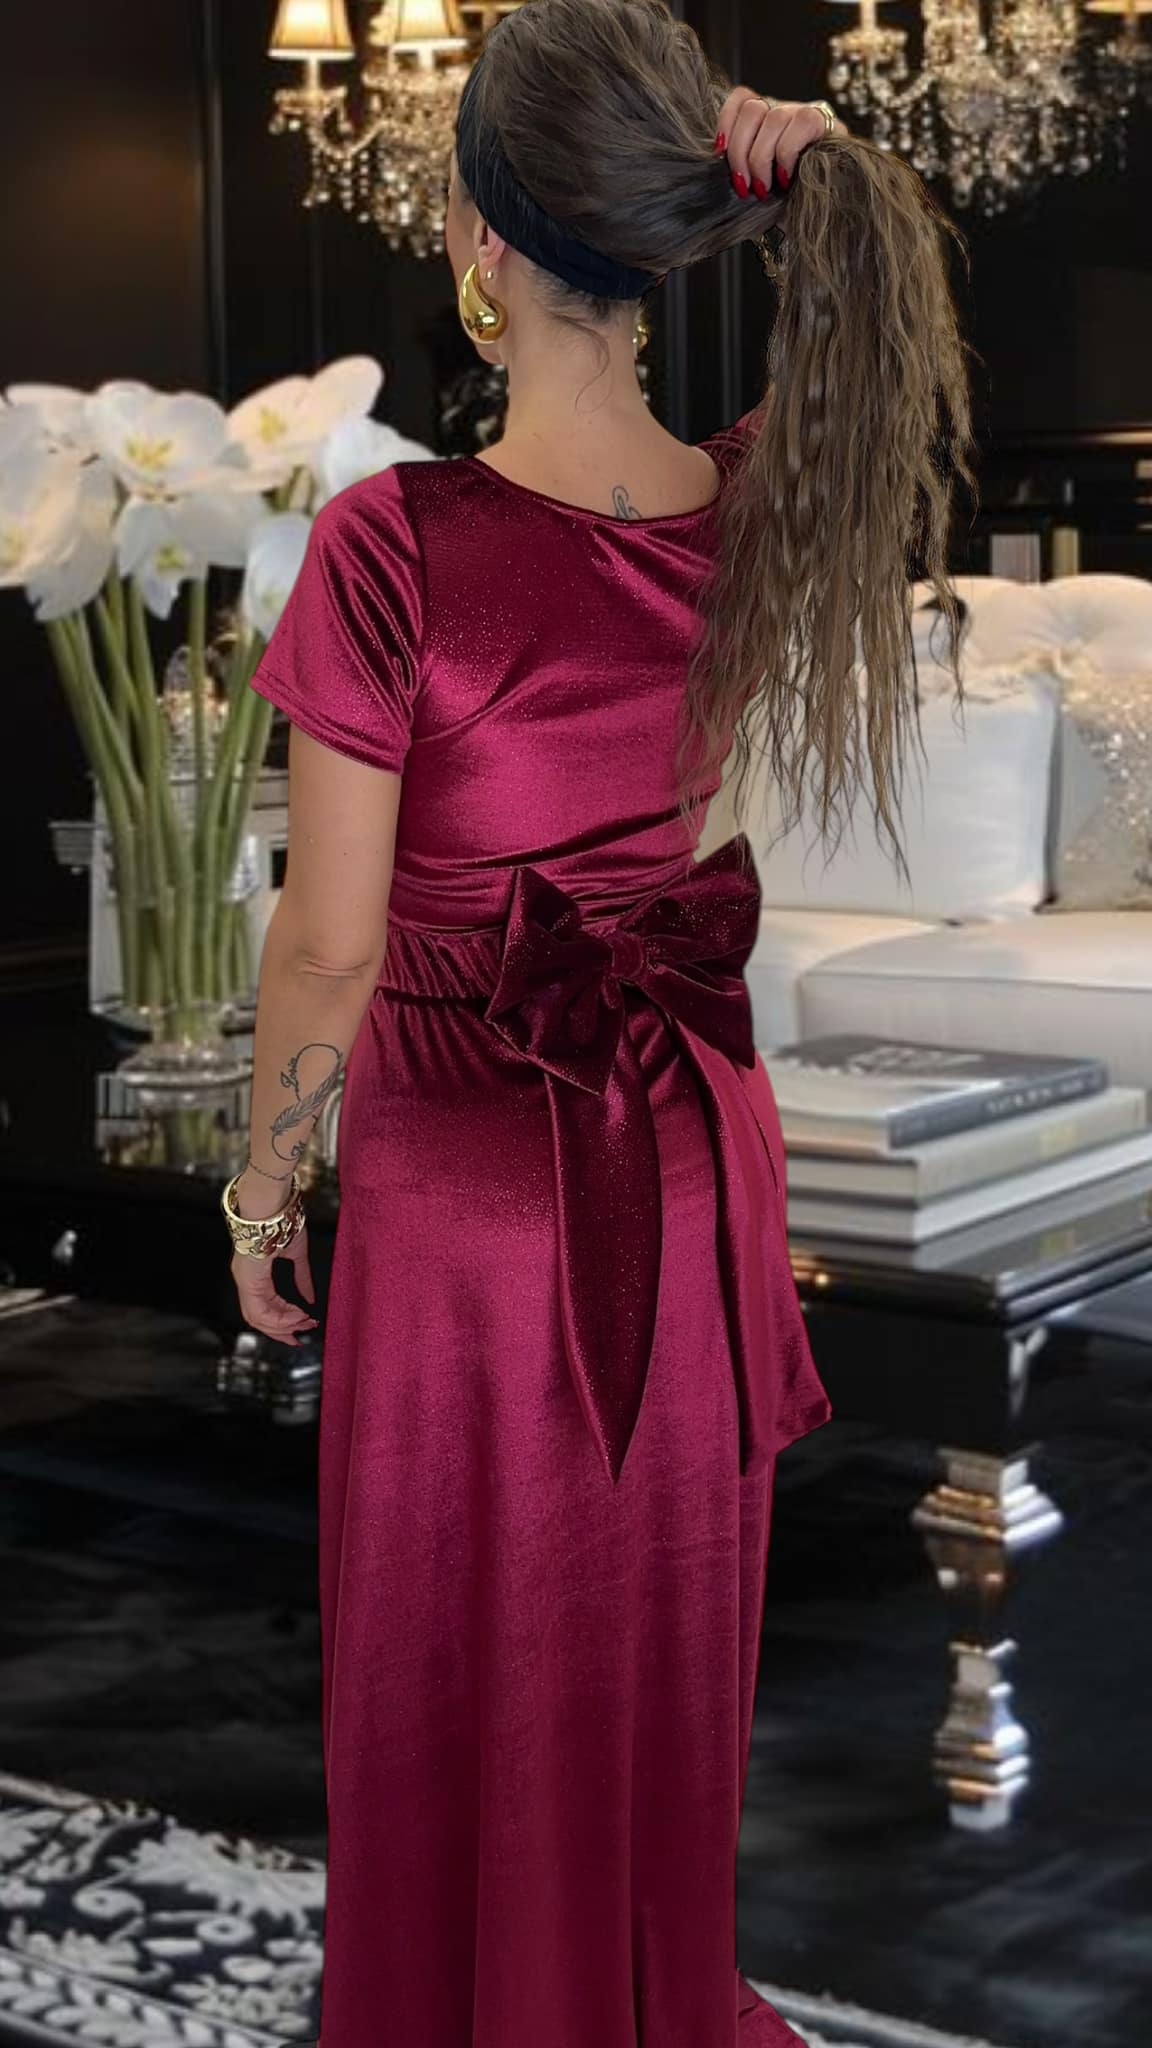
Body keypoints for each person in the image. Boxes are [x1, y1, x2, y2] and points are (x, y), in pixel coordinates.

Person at [220, 0, 974, 2040]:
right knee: (645, 1651)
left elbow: (329, 948)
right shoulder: (757, 501)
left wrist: (261, 1185)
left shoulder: (395, 544)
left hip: (475, 1189)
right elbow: (866, 353)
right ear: (649, 246)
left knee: (455, 1664)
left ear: (477, 239)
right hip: (692, 1157)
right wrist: (817, 164)